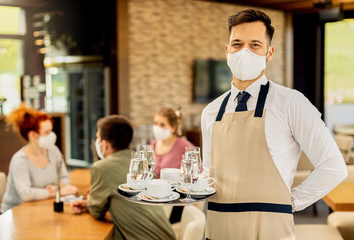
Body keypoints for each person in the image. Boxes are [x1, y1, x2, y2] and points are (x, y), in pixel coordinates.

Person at [201, 9, 348, 239]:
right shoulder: (210, 112)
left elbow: (333, 166)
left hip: (270, 230)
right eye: (237, 44)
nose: (245, 51)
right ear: (227, 50)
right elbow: (207, 175)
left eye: (255, 45)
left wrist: (289, 202)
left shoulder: (291, 103)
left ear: (269, 53)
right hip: (219, 228)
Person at [70, 115, 176, 240]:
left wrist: (91, 203)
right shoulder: (141, 161)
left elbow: (96, 211)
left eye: (98, 138)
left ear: (104, 144)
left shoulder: (101, 167)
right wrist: (91, 203)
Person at [1, 104, 78, 213]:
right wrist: (58, 191)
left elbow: (65, 177)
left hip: (40, 209)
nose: (51, 135)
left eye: (51, 130)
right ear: (33, 135)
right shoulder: (20, 160)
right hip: (16, 214)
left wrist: (59, 185)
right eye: (47, 132)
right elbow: (25, 194)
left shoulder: (53, 150)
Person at [151, 107, 193, 178]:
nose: (157, 127)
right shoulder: (153, 144)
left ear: (173, 128)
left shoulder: (185, 146)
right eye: (155, 123)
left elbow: (198, 171)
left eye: (162, 125)